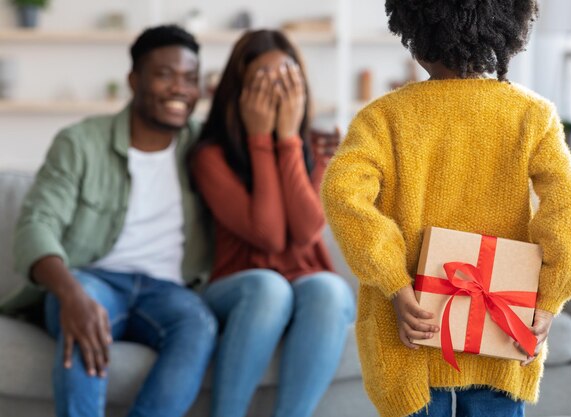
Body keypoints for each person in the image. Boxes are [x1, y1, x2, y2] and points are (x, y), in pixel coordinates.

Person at [320, 1, 571, 417]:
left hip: (410, 330)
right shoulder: (533, 117)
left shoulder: (383, 118)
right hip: (502, 327)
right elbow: (566, 212)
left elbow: (342, 194)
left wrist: (395, 281)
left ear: (413, 32)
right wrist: (549, 299)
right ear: (507, 29)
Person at [3, 25, 217, 417]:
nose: (180, 89)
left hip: (168, 291)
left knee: (199, 325)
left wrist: (317, 147)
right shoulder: (80, 142)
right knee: (85, 319)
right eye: (164, 74)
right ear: (134, 81)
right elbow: (37, 224)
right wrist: (71, 296)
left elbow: (265, 151)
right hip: (92, 279)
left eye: (190, 78)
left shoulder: (205, 145)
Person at [191, 29, 356, 417]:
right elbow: (268, 236)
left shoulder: (319, 148)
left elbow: (306, 230)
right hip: (240, 286)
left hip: (306, 283)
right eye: (263, 82)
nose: (277, 92)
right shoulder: (210, 156)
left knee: (330, 290)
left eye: (287, 79)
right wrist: (260, 139)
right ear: (239, 91)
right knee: (270, 288)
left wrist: (288, 140)